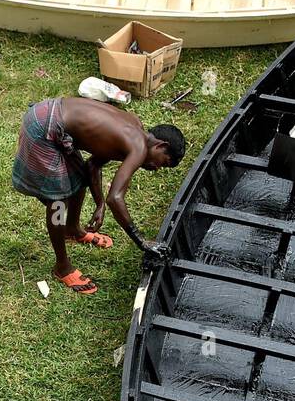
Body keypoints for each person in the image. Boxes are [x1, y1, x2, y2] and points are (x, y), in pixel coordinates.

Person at [11, 97, 186, 295]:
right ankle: (62, 267)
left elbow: (92, 166)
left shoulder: (134, 126)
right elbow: (116, 198)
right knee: (58, 202)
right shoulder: (138, 147)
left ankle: (73, 230)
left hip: (52, 116)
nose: (156, 169)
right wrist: (141, 241)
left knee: (78, 179)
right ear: (160, 146)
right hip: (44, 127)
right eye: (163, 163)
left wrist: (99, 204)